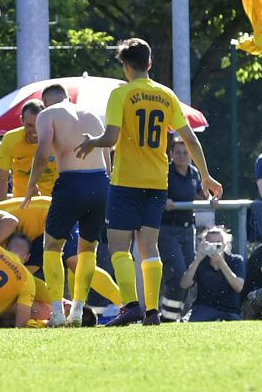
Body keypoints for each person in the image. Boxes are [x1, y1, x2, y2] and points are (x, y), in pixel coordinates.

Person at [76, 38, 222, 326]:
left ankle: (131, 305)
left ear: (126, 66)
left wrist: (92, 142)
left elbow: (110, 138)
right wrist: (205, 175)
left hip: (126, 181)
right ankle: (152, 311)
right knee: (149, 247)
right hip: (157, 181)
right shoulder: (166, 95)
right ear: (150, 63)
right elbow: (190, 138)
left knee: (119, 247)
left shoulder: (121, 94)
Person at [21, 83, 110, 327]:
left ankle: (58, 312)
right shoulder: (91, 114)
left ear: (46, 102)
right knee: (87, 250)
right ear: (68, 97)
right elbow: (106, 152)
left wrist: (31, 185)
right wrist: (105, 185)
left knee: (52, 245)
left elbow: (42, 150)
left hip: (71, 183)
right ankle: (78, 310)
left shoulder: (47, 115)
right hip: (100, 182)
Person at [158, 136, 206, 322]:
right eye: (177, 152)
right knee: (177, 274)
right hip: (168, 229)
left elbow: (197, 194)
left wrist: (210, 200)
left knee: (189, 275)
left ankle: (172, 316)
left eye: (186, 152)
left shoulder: (194, 173)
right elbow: (154, 194)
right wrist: (165, 200)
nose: (182, 156)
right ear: (171, 154)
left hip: (188, 229)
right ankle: (168, 315)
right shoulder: (165, 171)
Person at [0, 100, 58, 200]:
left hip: (52, 204)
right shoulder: (10, 139)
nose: (35, 130)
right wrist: (0, 213)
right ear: (21, 121)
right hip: (21, 204)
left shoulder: (57, 138)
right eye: (29, 125)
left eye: (38, 124)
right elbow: (2, 179)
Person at [181, 227, 245, 322]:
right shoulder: (200, 262)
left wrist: (221, 263)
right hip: (203, 308)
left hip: (229, 309)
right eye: (210, 244)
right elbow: (184, 284)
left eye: (218, 244)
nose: (214, 247)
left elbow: (239, 287)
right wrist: (197, 259)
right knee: (192, 323)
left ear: (225, 244)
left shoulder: (236, 260)